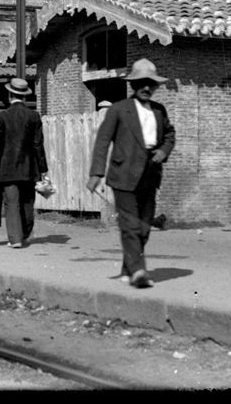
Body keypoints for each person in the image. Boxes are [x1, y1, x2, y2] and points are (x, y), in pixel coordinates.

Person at [88, 59, 175, 289]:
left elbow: (169, 135)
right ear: (133, 85)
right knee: (130, 224)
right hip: (123, 174)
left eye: (151, 84)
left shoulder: (159, 110)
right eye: (141, 84)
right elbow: (103, 141)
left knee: (144, 225)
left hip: (150, 174)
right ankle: (138, 271)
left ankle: (129, 267)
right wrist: (96, 173)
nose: (147, 88)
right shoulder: (119, 110)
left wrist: (163, 151)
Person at [0, 78, 48, 247]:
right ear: (24, 97)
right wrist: (43, 169)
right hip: (29, 167)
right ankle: (25, 235)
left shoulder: (2, 116)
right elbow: (38, 145)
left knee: (11, 202)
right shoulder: (34, 116)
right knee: (27, 202)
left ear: (10, 95)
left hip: (7, 168)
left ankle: (15, 239)